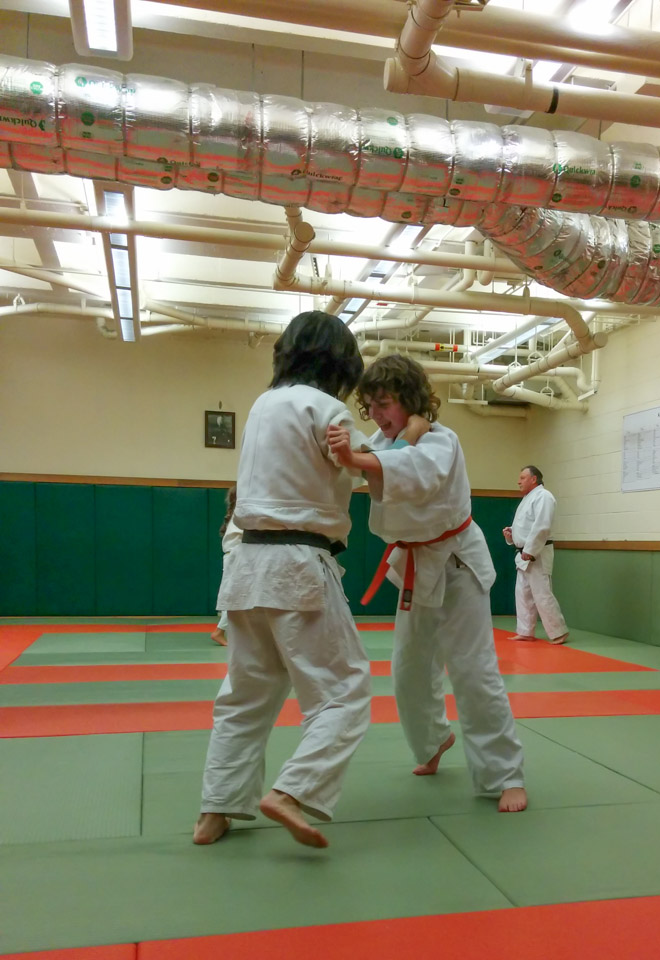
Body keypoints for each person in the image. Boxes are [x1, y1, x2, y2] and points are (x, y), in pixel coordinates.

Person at [193, 310, 372, 849]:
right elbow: (366, 466)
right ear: (340, 363)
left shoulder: (261, 406)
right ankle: (292, 791)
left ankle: (215, 810)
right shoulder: (327, 407)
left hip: (246, 566)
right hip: (298, 562)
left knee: (246, 696)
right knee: (345, 691)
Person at [327, 354, 527, 813]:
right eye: (371, 406)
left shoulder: (442, 440)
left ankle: (505, 775)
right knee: (409, 670)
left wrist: (358, 456)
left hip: (457, 565)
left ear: (410, 400)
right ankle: (434, 742)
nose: (377, 415)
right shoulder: (382, 441)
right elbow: (369, 460)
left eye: (386, 404)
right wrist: (347, 447)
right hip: (416, 566)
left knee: (474, 670)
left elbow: (416, 475)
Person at [502, 465, 569, 645]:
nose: (519, 481)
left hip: (537, 553)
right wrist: (512, 534)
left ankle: (558, 631)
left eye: (523, 478)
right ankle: (525, 631)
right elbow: (527, 526)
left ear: (534, 479)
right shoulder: (528, 499)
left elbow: (542, 526)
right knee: (523, 593)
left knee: (542, 593)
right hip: (524, 553)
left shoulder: (544, 496)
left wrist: (530, 550)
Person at [210, 484, 240, 647]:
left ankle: (223, 630)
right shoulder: (241, 513)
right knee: (235, 596)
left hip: (233, 556)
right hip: (237, 556)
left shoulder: (236, 513)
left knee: (233, 595)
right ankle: (220, 631)